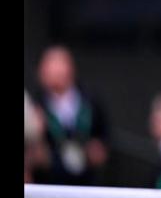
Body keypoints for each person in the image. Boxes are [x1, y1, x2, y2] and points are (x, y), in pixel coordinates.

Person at [32, 45, 109, 186]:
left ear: (70, 68)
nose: (54, 70)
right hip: (48, 185)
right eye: (48, 65)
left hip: (87, 182)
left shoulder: (90, 101)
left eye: (58, 64)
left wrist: (99, 149)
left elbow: (104, 135)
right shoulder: (34, 105)